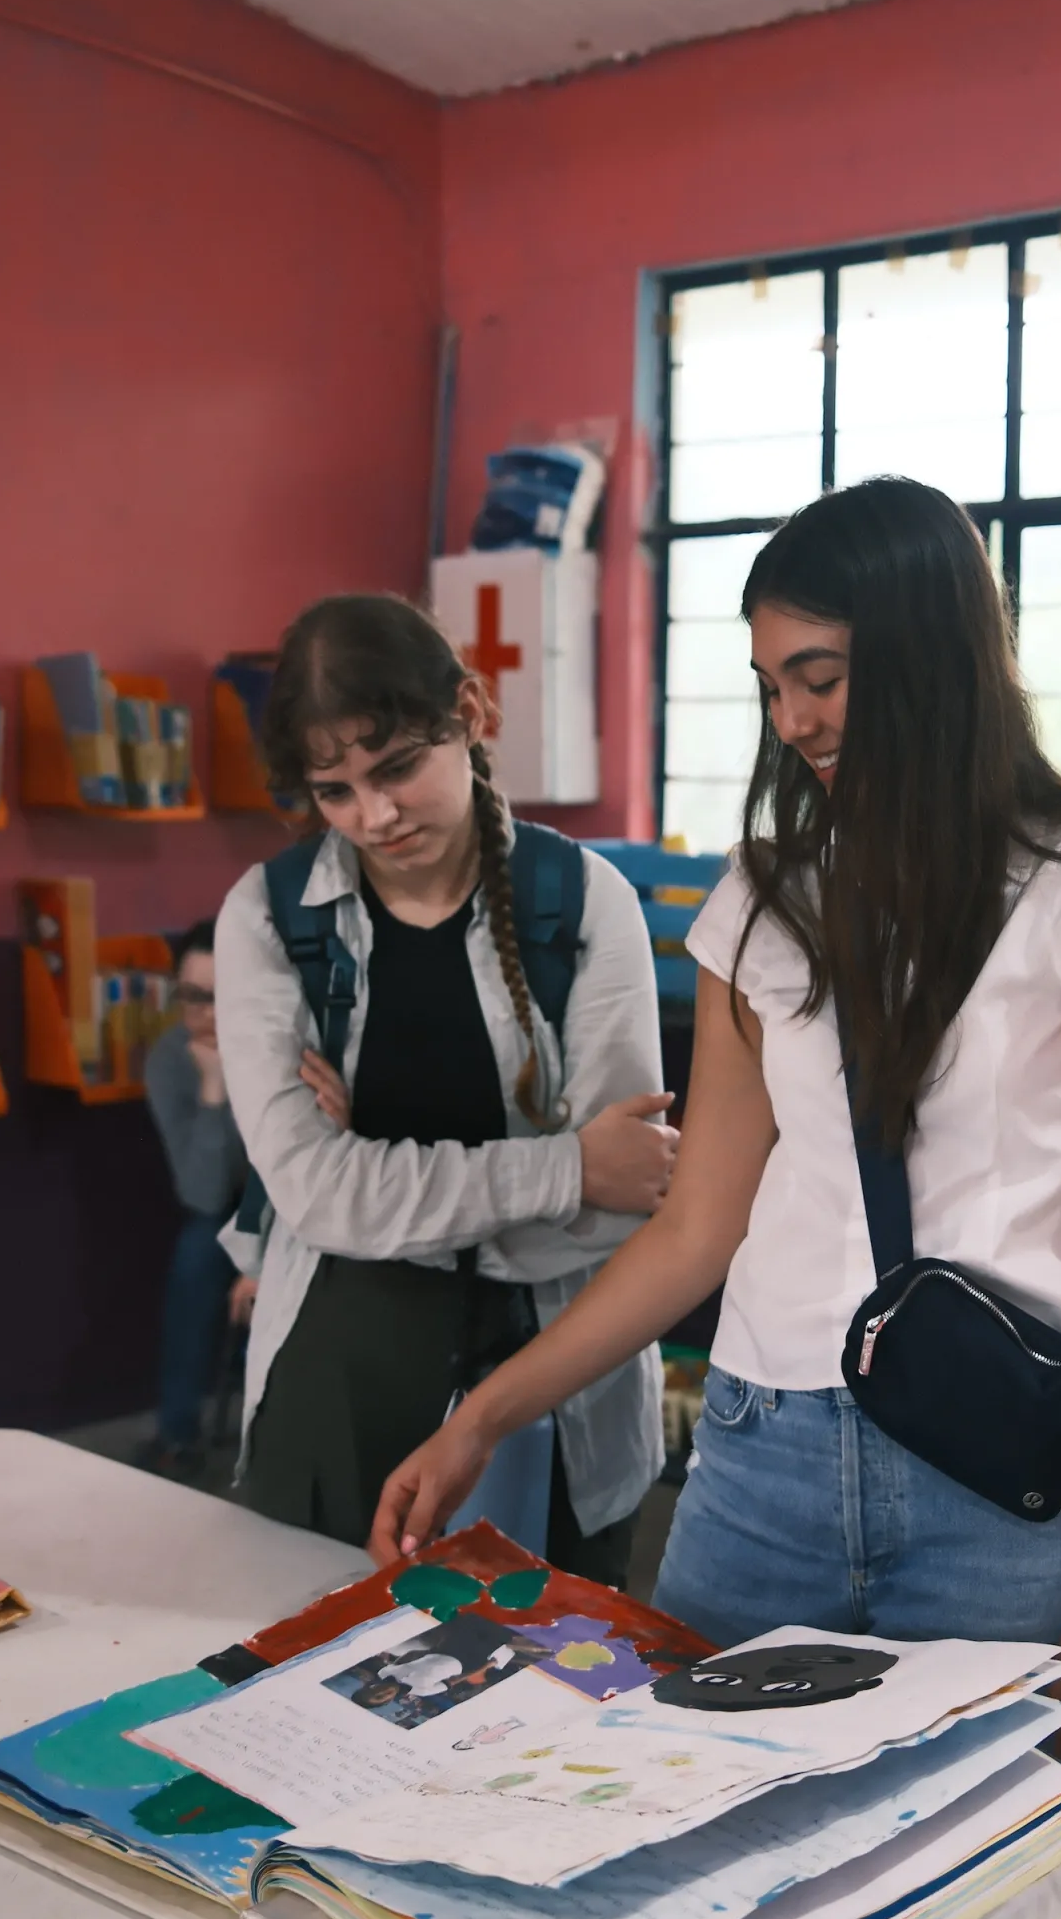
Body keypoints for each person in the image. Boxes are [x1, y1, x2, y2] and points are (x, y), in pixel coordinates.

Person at [368, 479, 1061, 1774]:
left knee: (977, 1873)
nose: (792, 718)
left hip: (994, 1482)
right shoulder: (768, 899)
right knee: (684, 1821)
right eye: (770, 684)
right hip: (760, 1464)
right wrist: (486, 1415)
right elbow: (698, 1226)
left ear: (929, 648)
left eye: (819, 675)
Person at [214, 593, 677, 1583]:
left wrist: (373, 1184)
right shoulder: (269, 915)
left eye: (396, 769)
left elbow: (626, 1206)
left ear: (469, 716)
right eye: (334, 791)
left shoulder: (584, 900)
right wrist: (565, 1167)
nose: (374, 816)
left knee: (550, 1696)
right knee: (309, 1683)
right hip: (337, 1369)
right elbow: (318, 1198)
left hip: (555, 1370)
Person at [139, 920, 252, 1473]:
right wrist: (214, 1089)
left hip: (296, 1205)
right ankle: (176, 1433)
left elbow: (292, 1172)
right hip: (223, 1208)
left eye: (220, 998)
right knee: (197, 1251)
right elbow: (203, 1191)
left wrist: (262, 1253)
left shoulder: (279, 1046)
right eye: (192, 998)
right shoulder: (169, 1060)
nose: (206, 1014)